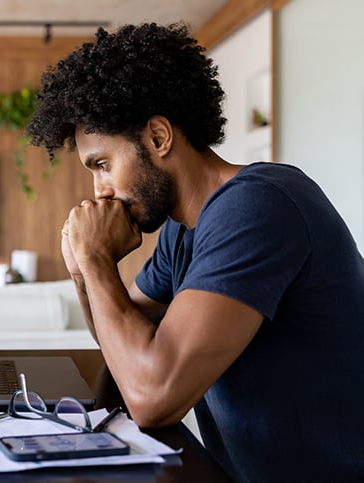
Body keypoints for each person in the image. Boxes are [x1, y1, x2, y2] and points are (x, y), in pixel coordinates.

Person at [26, 23, 364, 482]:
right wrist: (84, 270)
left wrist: (96, 260)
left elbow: (150, 396)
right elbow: (126, 344)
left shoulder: (258, 207)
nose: (99, 193)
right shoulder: (184, 229)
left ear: (159, 137)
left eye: (103, 165)